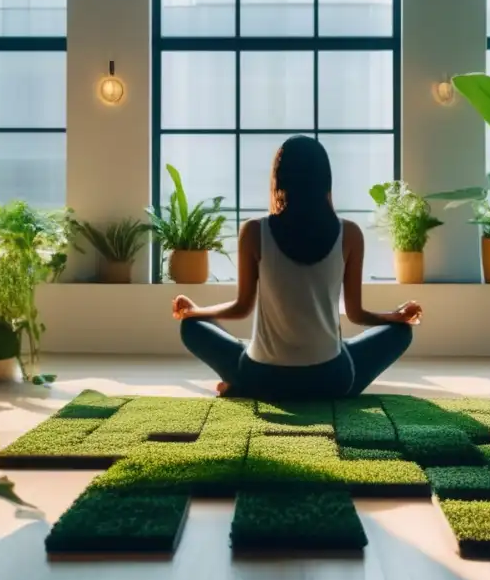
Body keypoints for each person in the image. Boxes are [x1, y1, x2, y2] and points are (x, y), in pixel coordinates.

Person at [173, 135, 422, 400]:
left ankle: (243, 385)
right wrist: (394, 317)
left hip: (262, 378)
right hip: (332, 380)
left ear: (279, 179)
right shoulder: (349, 233)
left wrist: (195, 312)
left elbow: (241, 308)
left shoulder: (254, 231)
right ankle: (273, 381)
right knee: (399, 333)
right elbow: (356, 313)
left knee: (192, 328)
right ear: (326, 180)